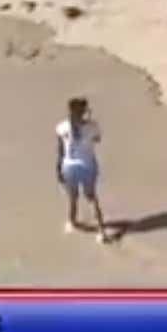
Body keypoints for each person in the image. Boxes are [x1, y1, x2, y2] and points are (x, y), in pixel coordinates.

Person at [55, 97, 111, 242]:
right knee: (92, 198)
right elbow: (97, 139)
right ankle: (101, 230)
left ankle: (72, 222)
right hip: (88, 165)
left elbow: (60, 151)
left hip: (68, 166)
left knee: (73, 198)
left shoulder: (61, 127)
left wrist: (58, 169)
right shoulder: (92, 126)